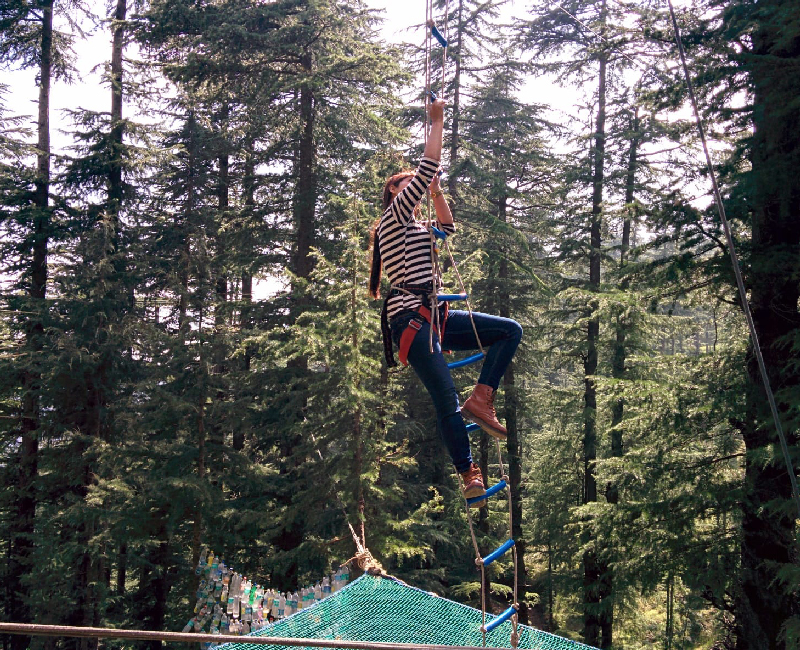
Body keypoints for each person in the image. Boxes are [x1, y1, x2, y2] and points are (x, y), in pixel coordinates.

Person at [368, 98, 522, 506]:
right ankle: (468, 472)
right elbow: (428, 166)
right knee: (444, 397)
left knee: (509, 332)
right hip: (412, 321)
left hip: (435, 317)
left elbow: (447, 228)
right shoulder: (394, 218)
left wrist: (436, 194)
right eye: (403, 185)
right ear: (393, 195)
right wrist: (436, 122)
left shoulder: (417, 226)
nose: (409, 188)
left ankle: (482, 397)